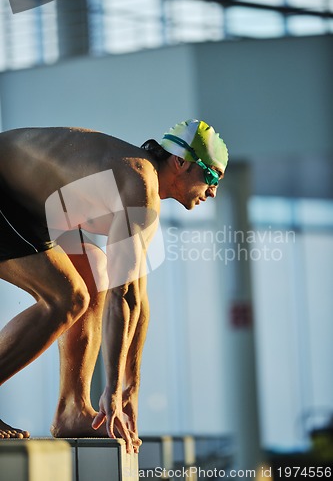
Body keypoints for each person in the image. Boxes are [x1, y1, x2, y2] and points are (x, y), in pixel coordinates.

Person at [0, 119, 228, 452]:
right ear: (180, 162)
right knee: (66, 298)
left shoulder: (142, 188)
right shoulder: (140, 184)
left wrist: (130, 388)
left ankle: (73, 410)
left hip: (29, 205)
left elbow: (137, 297)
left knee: (94, 274)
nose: (213, 191)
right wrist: (112, 389)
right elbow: (124, 299)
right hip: (9, 194)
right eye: (211, 176)